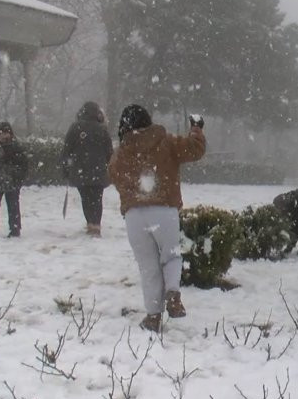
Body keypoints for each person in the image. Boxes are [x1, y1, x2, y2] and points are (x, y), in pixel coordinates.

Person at [109, 105, 206, 332]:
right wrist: (196, 129)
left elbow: (113, 174)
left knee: (148, 267)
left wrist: (133, 191)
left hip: (134, 214)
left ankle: (153, 316)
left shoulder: (121, 152)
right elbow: (194, 149)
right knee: (171, 256)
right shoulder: (166, 141)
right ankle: (173, 293)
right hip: (164, 210)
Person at [60, 101, 114, 236]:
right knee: (97, 199)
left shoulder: (75, 128)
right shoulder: (102, 129)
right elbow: (109, 152)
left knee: (86, 198)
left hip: (81, 171)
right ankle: (96, 225)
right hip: (99, 171)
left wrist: (66, 168)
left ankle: (90, 223)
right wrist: (110, 167)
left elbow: (67, 150)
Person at [0, 122, 28, 237]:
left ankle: (15, 229)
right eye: (0, 133)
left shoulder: (15, 147)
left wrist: (17, 177)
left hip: (11, 182)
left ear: (10, 133)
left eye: (6, 133)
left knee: (13, 206)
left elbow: (23, 165)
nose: (3, 136)